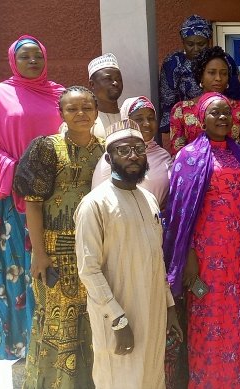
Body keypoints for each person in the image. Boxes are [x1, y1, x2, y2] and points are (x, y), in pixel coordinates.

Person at [0, 35, 64, 360]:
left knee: (58, 266)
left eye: (38, 55)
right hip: (14, 200)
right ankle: (22, 348)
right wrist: (17, 170)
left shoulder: (59, 95)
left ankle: (60, 344)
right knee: (20, 270)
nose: (33, 61)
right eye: (25, 57)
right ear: (13, 61)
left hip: (56, 198)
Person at [163, 92, 240, 388]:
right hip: (205, 254)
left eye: (226, 113)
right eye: (215, 113)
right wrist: (190, 256)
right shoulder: (189, 156)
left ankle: (238, 379)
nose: (222, 118)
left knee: (235, 312)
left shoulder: (239, 155)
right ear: (201, 119)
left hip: (237, 251)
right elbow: (182, 214)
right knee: (207, 313)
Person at [75, 119, 181, 389]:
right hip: (119, 315)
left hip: (153, 309)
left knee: (152, 378)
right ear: (109, 158)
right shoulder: (94, 204)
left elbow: (157, 259)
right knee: (120, 379)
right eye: (124, 150)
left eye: (138, 149)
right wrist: (118, 319)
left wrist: (169, 309)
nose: (133, 155)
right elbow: (89, 270)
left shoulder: (148, 199)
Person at [13, 86, 105, 388]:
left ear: (96, 110)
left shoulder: (106, 148)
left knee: (94, 321)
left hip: (96, 249)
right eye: (72, 109)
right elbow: (33, 204)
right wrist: (39, 253)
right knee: (59, 325)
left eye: (87, 107)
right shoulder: (47, 148)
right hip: (56, 250)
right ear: (61, 113)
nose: (81, 114)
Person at [159, 15, 240, 145]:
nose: (196, 49)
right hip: (187, 120)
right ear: (183, 41)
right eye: (190, 44)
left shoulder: (225, 60)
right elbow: (167, 99)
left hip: (221, 117)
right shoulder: (173, 63)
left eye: (201, 44)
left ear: (209, 41)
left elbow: (233, 91)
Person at [91, 97, 173, 209]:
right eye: (139, 119)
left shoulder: (163, 156)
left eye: (151, 118)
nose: (146, 124)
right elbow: (98, 199)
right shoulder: (115, 155)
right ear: (126, 120)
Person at [88, 53, 123, 138]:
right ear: (92, 84)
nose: (115, 83)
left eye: (118, 79)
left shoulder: (130, 117)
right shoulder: (84, 121)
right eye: (108, 79)